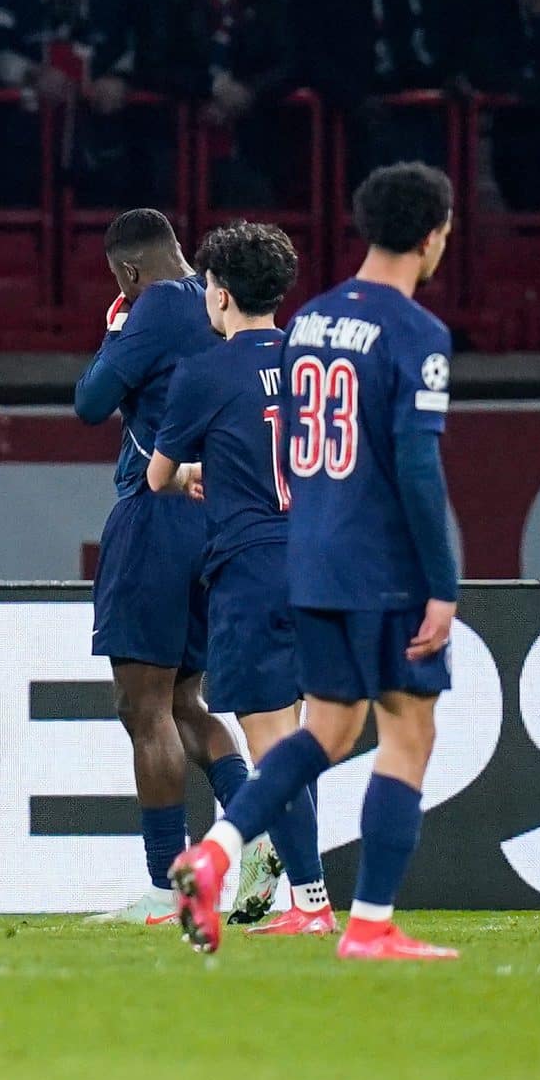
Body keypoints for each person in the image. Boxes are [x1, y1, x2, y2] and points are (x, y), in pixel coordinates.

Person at [171, 164, 463, 961]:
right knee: (409, 732)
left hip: (312, 559)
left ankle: (218, 848)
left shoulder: (314, 323)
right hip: (382, 563)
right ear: (435, 234)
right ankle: (369, 923)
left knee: (325, 730)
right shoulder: (417, 334)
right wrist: (441, 583)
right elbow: (415, 466)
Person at [71, 209, 263, 926]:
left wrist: (117, 329)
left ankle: (166, 887)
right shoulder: (219, 301)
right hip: (219, 521)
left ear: (126, 269)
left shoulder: (149, 307)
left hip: (158, 511)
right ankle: (265, 835)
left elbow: (89, 402)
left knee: (141, 706)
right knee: (187, 704)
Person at [147, 220, 334, 936]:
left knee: (274, 745)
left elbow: (160, 475)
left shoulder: (205, 370)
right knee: (298, 740)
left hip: (249, 569)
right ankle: (307, 899)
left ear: (219, 293)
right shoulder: (311, 360)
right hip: (320, 564)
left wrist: (201, 471)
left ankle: (312, 904)